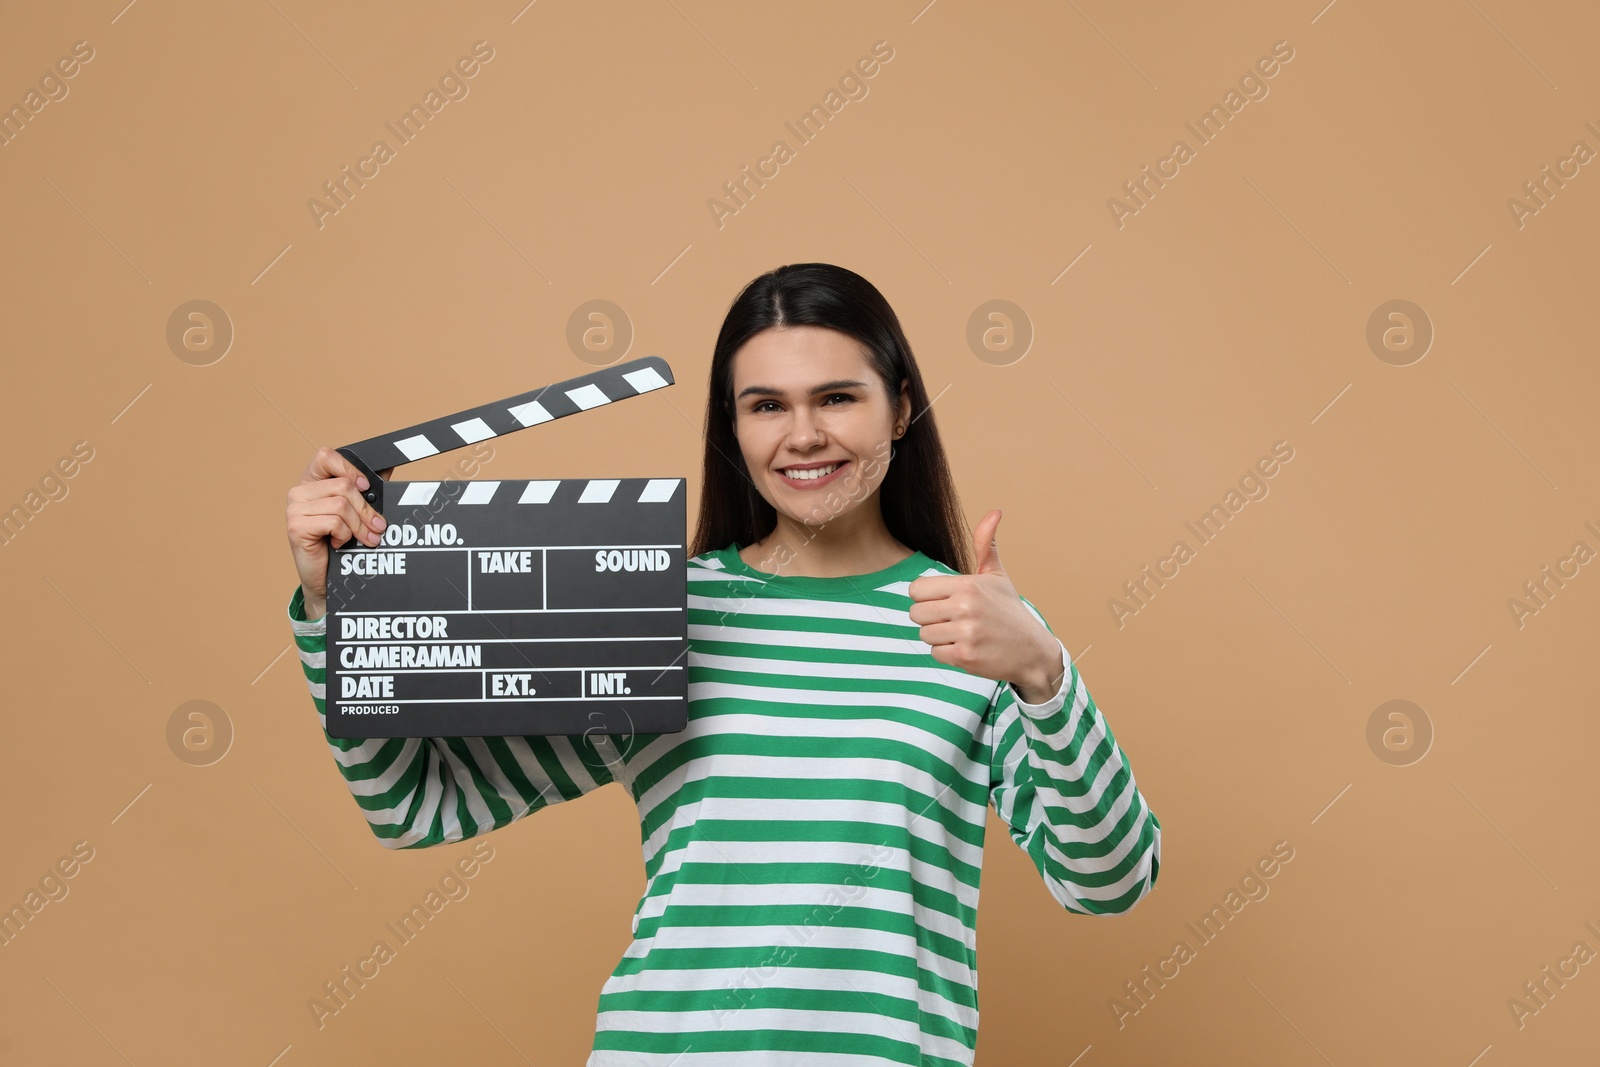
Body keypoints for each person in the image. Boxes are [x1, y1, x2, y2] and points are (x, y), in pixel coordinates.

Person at [283, 262, 1162, 1065]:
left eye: (838, 399)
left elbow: (1110, 877)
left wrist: (1045, 672)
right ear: (732, 428)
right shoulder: (661, 611)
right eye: (766, 405)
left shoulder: (974, 626)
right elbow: (413, 805)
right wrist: (337, 605)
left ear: (899, 408)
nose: (805, 435)